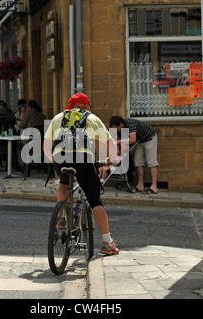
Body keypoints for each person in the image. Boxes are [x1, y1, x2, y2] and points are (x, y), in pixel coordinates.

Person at [43, 93, 120, 255]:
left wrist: (52, 160)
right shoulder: (92, 118)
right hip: (83, 160)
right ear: (85, 106)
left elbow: (45, 145)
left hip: (60, 158)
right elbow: (110, 144)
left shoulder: (59, 117)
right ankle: (107, 243)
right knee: (95, 201)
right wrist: (111, 159)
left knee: (63, 182)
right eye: (89, 106)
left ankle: (63, 217)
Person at [109, 116, 159, 194]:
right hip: (140, 140)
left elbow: (132, 139)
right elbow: (121, 143)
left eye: (116, 128)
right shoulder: (121, 129)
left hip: (149, 138)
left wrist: (118, 142)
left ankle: (154, 186)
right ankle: (140, 185)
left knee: (151, 162)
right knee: (138, 162)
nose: (115, 130)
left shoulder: (130, 124)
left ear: (121, 124)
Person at [17, 100, 46, 170]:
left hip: (31, 143)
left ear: (29, 107)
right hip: (42, 144)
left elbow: (21, 125)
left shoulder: (28, 113)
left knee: (18, 144)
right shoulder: (42, 115)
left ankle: (21, 164)